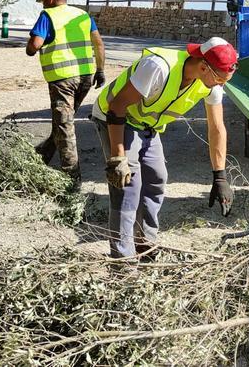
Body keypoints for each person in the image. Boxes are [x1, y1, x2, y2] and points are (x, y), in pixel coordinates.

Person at [92, 37, 236, 259]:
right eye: (219, 79)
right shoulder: (158, 67)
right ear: (203, 66)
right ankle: (123, 260)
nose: (220, 85)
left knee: (156, 180)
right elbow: (117, 106)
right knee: (128, 186)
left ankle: (145, 245)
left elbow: (217, 128)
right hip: (116, 119)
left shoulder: (210, 84)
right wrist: (118, 158)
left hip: (148, 126)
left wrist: (220, 177)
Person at [25, 0, 106, 179]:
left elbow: (34, 45)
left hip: (62, 79)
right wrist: (100, 70)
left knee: (65, 125)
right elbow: (98, 44)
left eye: (43, 1)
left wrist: (30, 48)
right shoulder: (83, 16)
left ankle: (71, 176)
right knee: (64, 120)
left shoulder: (48, 16)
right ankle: (41, 155)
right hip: (86, 76)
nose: (43, 5)